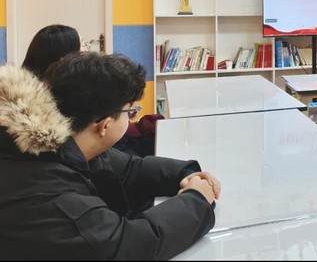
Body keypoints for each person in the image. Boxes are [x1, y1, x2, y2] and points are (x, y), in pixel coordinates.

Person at [0, 52, 220, 259]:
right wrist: (196, 200)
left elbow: (131, 169)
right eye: (130, 112)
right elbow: (125, 244)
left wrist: (184, 174)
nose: (131, 119)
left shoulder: (63, 143)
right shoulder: (50, 194)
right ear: (104, 125)